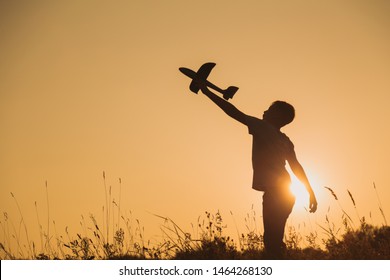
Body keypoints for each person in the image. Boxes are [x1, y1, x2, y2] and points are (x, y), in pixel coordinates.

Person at [197, 82, 318, 258]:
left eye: (270, 109)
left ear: (277, 116)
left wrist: (207, 92)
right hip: (288, 194)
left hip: (276, 192)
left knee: (272, 241)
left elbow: (233, 112)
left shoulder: (263, 128)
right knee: (274, 239)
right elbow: (296, 167)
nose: (265, 111)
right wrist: (310, 191)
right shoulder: (285, 140)